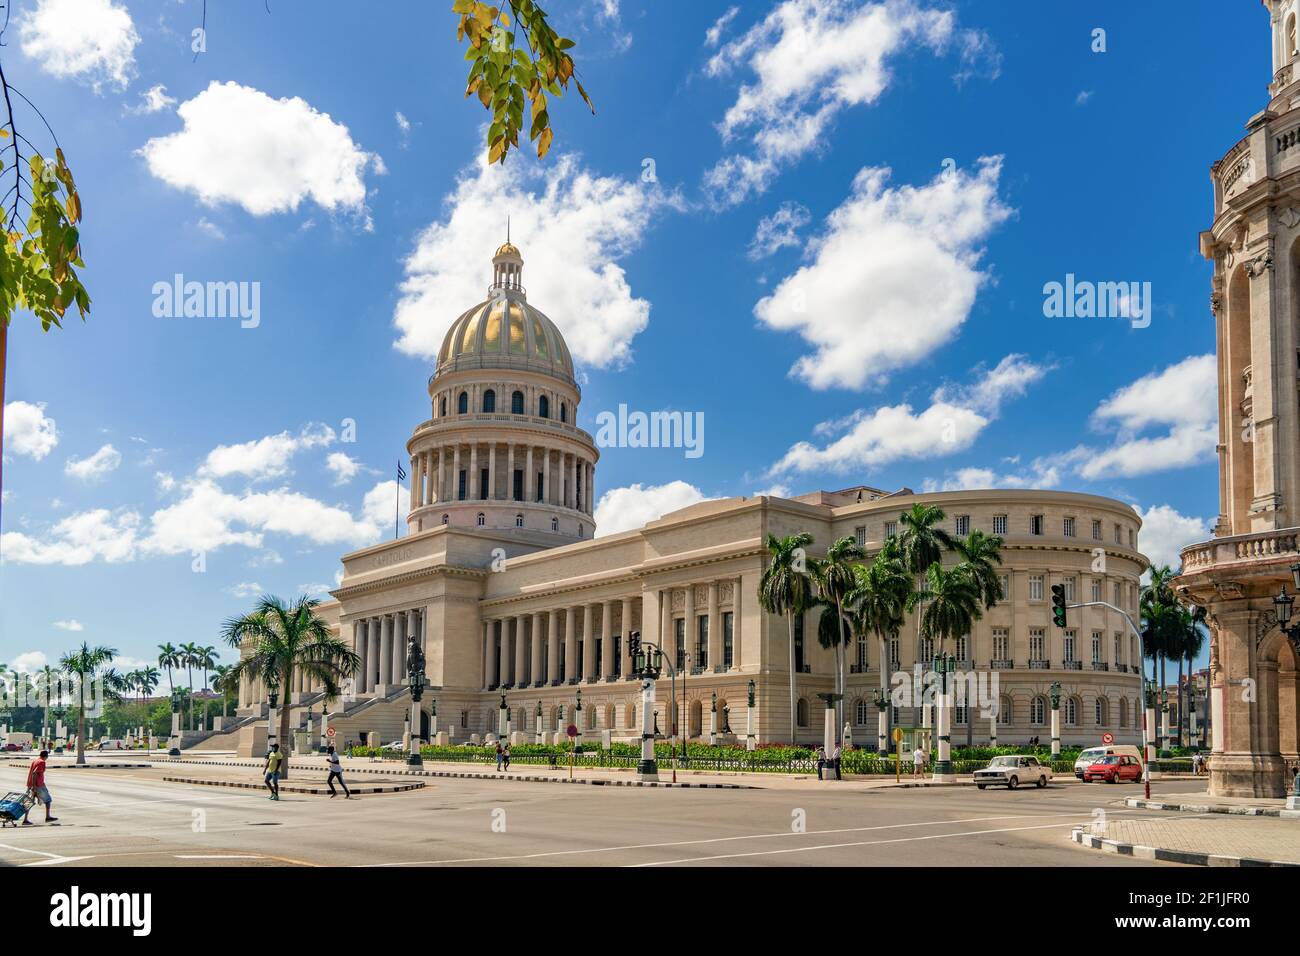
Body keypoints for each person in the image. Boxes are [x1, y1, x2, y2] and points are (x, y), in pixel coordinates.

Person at [23, 750, 56, 826]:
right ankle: (48, 817)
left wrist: (32, 786)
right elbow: (34, 773)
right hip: (38, 786)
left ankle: (25, 819)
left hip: (30, 785)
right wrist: (35, 786)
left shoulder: (35, 761)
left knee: (29, 802)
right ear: (46, 756)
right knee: (48, 800)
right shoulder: (42, 762)